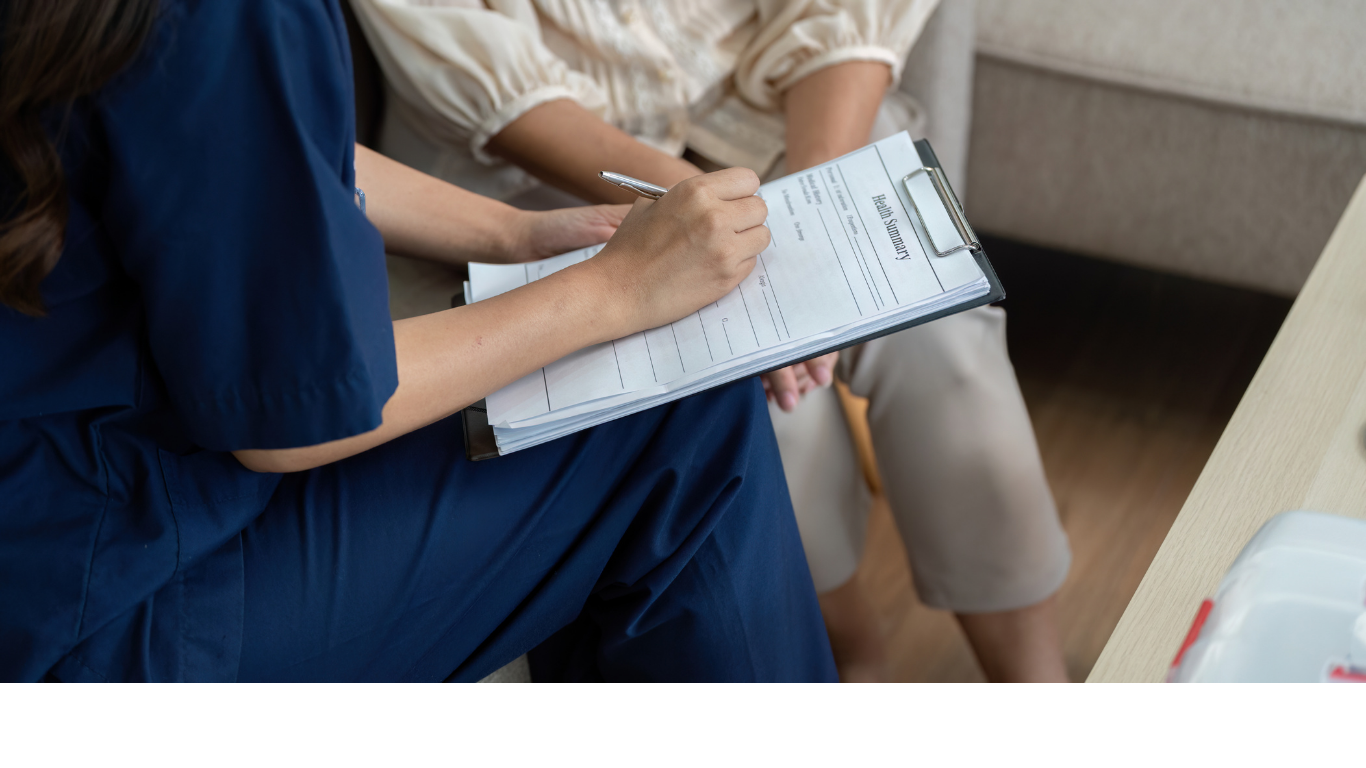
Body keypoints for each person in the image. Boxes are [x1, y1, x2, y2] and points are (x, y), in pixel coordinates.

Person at [0, 0, 838, 683]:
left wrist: (518, 233)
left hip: (46, 516)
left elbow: (260, 143)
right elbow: (293, 427)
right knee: (682, 414)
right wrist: (613, 292)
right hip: (94, 607)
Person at [351, 0, 1072, 682]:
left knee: (942, 339)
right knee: (762, 400)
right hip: (552, 185)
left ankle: (1036, 671)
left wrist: (803, 205)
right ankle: (851, 647)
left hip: (789, 120)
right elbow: (477, 76)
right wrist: (705, 228)